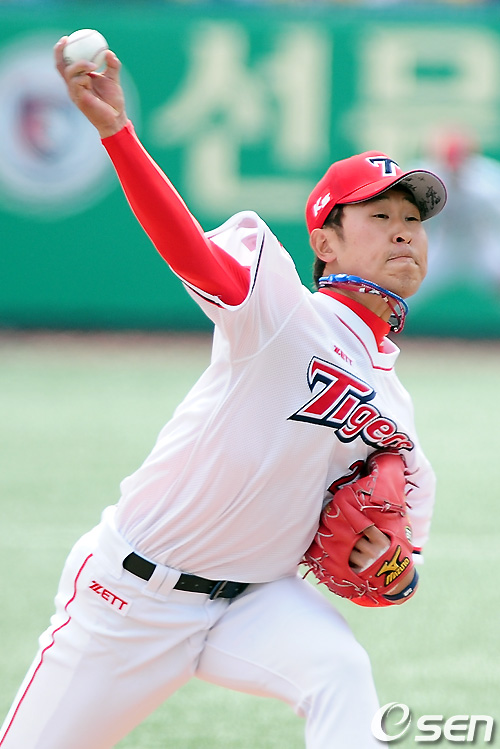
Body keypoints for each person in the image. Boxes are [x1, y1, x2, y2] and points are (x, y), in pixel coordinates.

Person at [0, 39, 446, 749]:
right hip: (131, 599)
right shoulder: (279, 312)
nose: (404, 234)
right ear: (325, 244)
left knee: (339, 670)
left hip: (253, 604)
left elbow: (404, 567)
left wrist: (388, 568)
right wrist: (119, 135)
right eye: (380, 217)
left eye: (413, 221)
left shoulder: (397, 414)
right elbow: (189, 250)